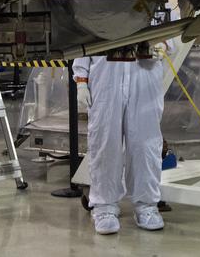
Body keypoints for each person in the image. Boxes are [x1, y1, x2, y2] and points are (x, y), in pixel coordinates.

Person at [73, 38, 172, 235]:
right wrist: (81, 80)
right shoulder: (98, 6)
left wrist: (165, 44)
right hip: (105, 78)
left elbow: (171, 24)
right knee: (105, 144)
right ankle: (104, 207)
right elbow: (84, 36)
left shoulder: (151, 6)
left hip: (145, 75)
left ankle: (147, 205)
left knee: (146, 145)